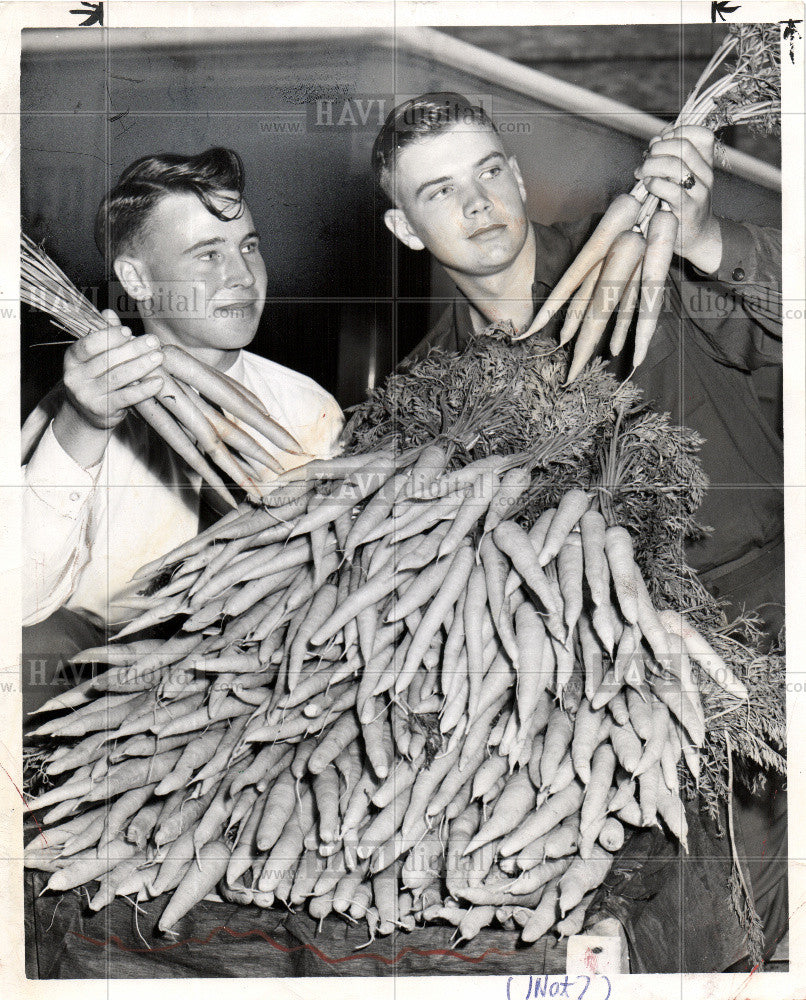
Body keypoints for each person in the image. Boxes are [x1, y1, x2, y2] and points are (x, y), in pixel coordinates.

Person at [371, 94, 785, 970]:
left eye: (489, 171)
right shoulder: (421, 404)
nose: (479, 204)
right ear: (404, 229)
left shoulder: (657, 258)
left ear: (518, 177)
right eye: (440, 192)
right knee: (691, 948)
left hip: (776, 609)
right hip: (625, 697)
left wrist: (709, 238)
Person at [22, 147, 344, 711]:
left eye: (248, 246)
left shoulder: (307, 408)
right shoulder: (66, 411)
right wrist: (84, 423)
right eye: (207, 254)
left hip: (251, 670)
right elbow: (17, 602)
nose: (243, 275)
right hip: (96, 669)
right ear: (136, 278)